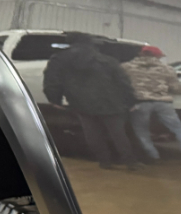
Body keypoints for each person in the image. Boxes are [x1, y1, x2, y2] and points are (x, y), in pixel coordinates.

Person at [42, 32, 141, 170]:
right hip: (111, 101)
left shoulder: (59, 59)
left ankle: (104, 162)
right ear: (90, 43)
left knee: (92, 134)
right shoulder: (107, 60)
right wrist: (131, 101)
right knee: (118, 134)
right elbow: (123, 82)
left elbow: (52, 80)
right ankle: (130, 162)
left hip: (81, 101)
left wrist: (55, 99)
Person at [123, 45, 181, 165]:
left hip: (140, 103)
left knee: (142, 131)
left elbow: (121, 84)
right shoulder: (167, 69)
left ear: (141, 54)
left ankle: (153, 156)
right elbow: (175, 88)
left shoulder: (126, 67)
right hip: (163, 103)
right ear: (158, 56)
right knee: (178, 129)